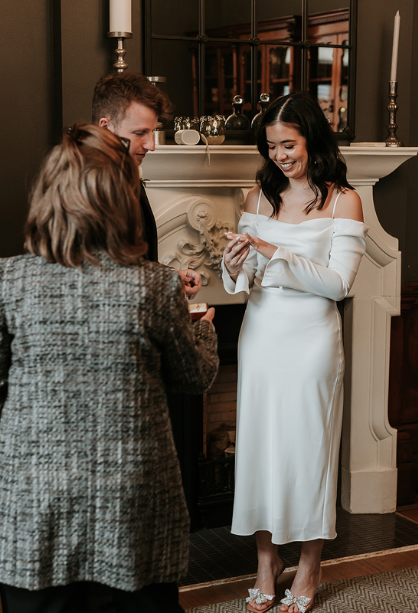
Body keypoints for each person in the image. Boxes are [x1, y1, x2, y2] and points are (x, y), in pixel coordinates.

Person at [0, 124, 219, 613]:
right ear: (121, 203)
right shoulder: (154, 286)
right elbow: (194, 376)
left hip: (35, 504)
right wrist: (203, 326)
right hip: (130, 504)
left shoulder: (7, 281)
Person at [220, 92, 366, 613]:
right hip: (260, 334)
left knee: (308, 452)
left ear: (312, 139)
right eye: (271, 147)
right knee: (259, 449)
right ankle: (266, 562)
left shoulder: (343, 199)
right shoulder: (257, 198)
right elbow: (242, 280)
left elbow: (338, 284)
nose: (280, 156)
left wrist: (272, 252)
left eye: (289, 144)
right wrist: (234, 262)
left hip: (311, 341)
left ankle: (308, 565)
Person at [92, 71, 201, 298]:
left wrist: (166, 277)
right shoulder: (86, 187)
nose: (151, 145)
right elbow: (102, 278)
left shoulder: (124, 173)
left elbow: (130, 263)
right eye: (140, 133)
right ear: (105, 127)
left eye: (152, 132)